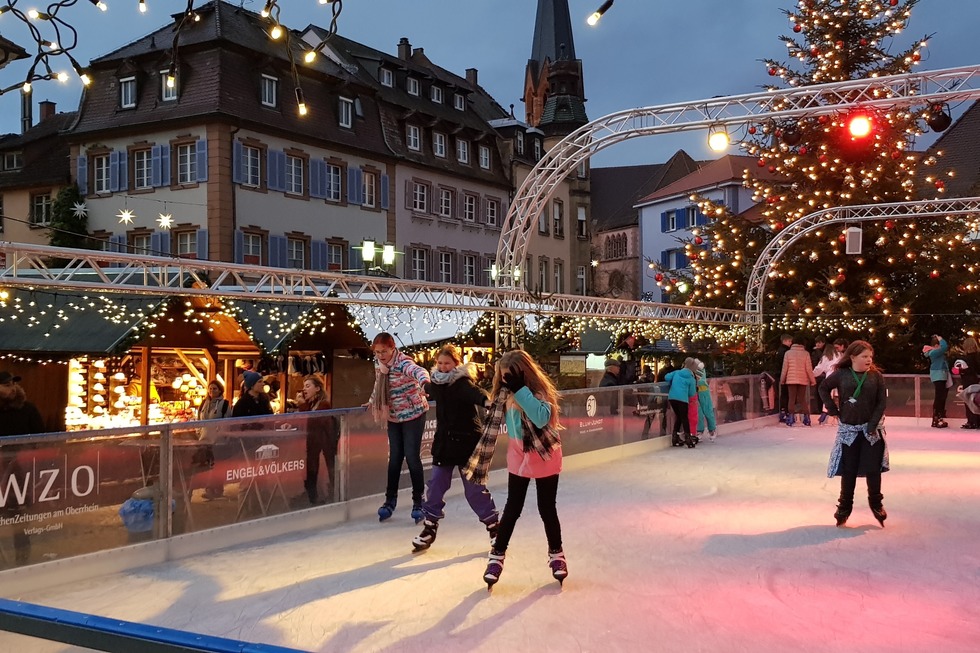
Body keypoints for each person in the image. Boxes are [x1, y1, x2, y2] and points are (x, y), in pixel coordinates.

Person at [463, 349, 566, 589]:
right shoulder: (503, 396)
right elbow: (491, 423)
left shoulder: (538, 394)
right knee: (512, 508)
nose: (508, 381)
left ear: (524, 373)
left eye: (512, 377)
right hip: (519, 457)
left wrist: (522, 391)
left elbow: (541, 418)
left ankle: (557, 554)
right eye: (504, 376)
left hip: (545, 455)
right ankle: (497, 556)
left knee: (546, 508)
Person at [412, 344, 498, 552]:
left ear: (456, 364)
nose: (443, 367)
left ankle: (495, 527)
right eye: (440, 363)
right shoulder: (436, 384)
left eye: (447, 363)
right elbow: (427, 388)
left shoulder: (462, 383)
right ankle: (429, 527)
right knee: (435, 487)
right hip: (444, 445)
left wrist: (487, 401)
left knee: (474, 490)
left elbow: (476, 393)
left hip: (468, 444)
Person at [818, 340, 889, 528]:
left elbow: (881, 402)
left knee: (873, 469)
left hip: (871, 431)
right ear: (853, 357)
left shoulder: (876, 376)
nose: (869, 360)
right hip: (849, 431)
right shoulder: (841, 375)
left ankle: (876, 504)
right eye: (864, 356)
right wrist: (832, 409)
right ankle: (844, 507)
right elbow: (823, 387)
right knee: (849, 470)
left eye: (870, 357)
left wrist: (873, 424)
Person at [366, 332, 430, 523]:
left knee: (411, 456)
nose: (380, 355)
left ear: (392, 348)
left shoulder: (403, 363)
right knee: (394, 458)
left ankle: (419, 501)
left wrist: (425, 383)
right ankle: (389, 500)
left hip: (413, 414)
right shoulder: (380, 366)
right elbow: (379, 385)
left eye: (384, 351)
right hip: (394, 416)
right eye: (377, 352)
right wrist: (371, 401)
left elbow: (419, 372)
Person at [0, 371, 44, 565]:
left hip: (18, 470)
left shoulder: (27, 409)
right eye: (6, 385)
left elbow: (41, 437)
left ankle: (23, 560)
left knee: (19, 516)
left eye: (12, 384)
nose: (11, 388)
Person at [295, 374, 340, 505]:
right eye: (304, 386)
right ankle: (312, 496)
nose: (304, 389)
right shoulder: (311, 404)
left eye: (308, 386)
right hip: (313, 443)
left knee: (328, 468)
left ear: (317, 389)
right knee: (312, 468)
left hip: (325, 444)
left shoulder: (323, 404)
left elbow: (316, 421)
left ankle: (332, 494)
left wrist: (303, 405)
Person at [196, 379, 230, 500]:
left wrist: (220, 434)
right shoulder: (203, 404)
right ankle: (209, 487)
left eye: (214, 389)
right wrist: (199, 432)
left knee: (217, 465)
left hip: (218, 440)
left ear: (220, 390)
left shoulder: (225, 404)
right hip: (204, 439)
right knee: (207, 465)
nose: (211, 391)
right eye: (210, 389)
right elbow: (199, 420)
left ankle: (217, 488)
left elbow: (227, 422)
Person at [780, 335, 816, 426]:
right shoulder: (806, 353)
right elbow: (809, 368)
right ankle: (807, 418)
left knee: (791, 398)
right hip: (802, 379)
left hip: (791, 379)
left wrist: (782, 379)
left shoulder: (788, 353)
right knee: (802, 399)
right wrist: (813, 380)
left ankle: (791, 417)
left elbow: (785, 368)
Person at [664, 358, 699, 448]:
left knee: (679, 417)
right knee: (684, 418)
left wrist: (673, 381)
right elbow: (692, 393)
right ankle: (688, 438)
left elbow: (666, 377)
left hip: (672, 398)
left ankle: (675, 437)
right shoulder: (691, 378)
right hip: (683, 399)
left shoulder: (676, 372)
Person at [922, 335, 950, 429]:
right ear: (936, 345)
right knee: (939, 397)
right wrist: (941, 339)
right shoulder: (934, 352)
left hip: (941, 375)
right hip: (938, 375)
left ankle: (939, 417)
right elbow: (945, 347)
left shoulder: (935, 353)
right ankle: (936, 418)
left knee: (941, 396)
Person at [952, 337, 980, 429]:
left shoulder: (965, 359)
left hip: (968, 381)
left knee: (968, 401)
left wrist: (962, 370)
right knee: (976, 401)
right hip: (976, 381)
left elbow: (958, 370)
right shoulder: (977, 356)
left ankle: (971, 421)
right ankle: (977, 421)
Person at [812, 343, 842, 425]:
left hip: (830, 378)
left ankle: (824, 414)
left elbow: (819, 369)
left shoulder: (825, 357)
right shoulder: (840, 355)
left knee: (828, 396)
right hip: (841, 377)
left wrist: (811, 375)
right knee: (839, 396)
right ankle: (840, 414)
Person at [694, 360, 717, 442]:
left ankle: (712, 430)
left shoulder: (700, 370)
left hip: (704, 392)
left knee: (708, 411)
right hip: (695, 393)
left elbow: (700, 381)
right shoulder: (693, 371)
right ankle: (699, 431)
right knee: (698, 412)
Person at [774, 333, 793, 419]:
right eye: (789, 341)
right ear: (784, 341)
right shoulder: (785, 351)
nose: (790, 343)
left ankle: (783, 411)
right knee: (785, 394)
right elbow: (784, 365)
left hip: (780, 374)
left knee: (784, 394)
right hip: (784, 375)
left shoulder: (780, 350)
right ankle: (785, 411)